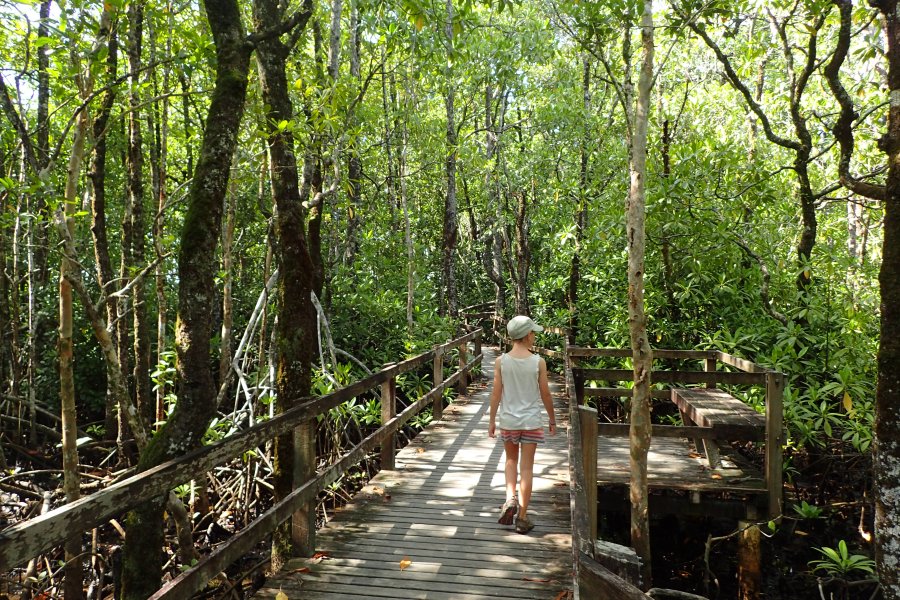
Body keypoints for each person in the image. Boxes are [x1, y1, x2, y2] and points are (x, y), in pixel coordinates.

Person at [488, 315, 557, 534]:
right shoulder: (538, 362)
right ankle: (523, 517)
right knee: (527, 468)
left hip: (509, 421)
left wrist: (492, 420)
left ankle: (510, 498)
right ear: (527, 335)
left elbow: (496, 394)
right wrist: (552, 419)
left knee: (510, 460)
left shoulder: (501, 361)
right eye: (533, 332)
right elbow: (545, 394)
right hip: (531, 422)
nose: (534, 336)